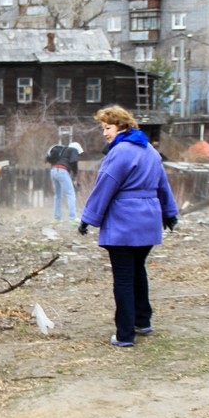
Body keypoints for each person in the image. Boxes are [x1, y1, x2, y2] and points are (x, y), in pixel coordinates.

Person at [78, 107, 178, 348]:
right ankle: (142, 321)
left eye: (108, 128)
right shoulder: (150, 150)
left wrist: (87, 218)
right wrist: (170, 213)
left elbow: (105, 185)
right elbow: (163, 184)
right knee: (137, 270)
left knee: (123, 278)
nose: (105, 133)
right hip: (148, 222)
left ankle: (124, 334)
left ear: (121, 126)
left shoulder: (120, 152)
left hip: (124, 222)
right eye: (103, 128)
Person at [46, 141, 81, 224]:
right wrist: (75, 175)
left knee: (57, 196)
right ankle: (73, 218)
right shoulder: (73, 149)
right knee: (70, 194)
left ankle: (57, 218)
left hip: (53, 171)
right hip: (62, 171)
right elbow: (74, 162)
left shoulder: (62, 151)